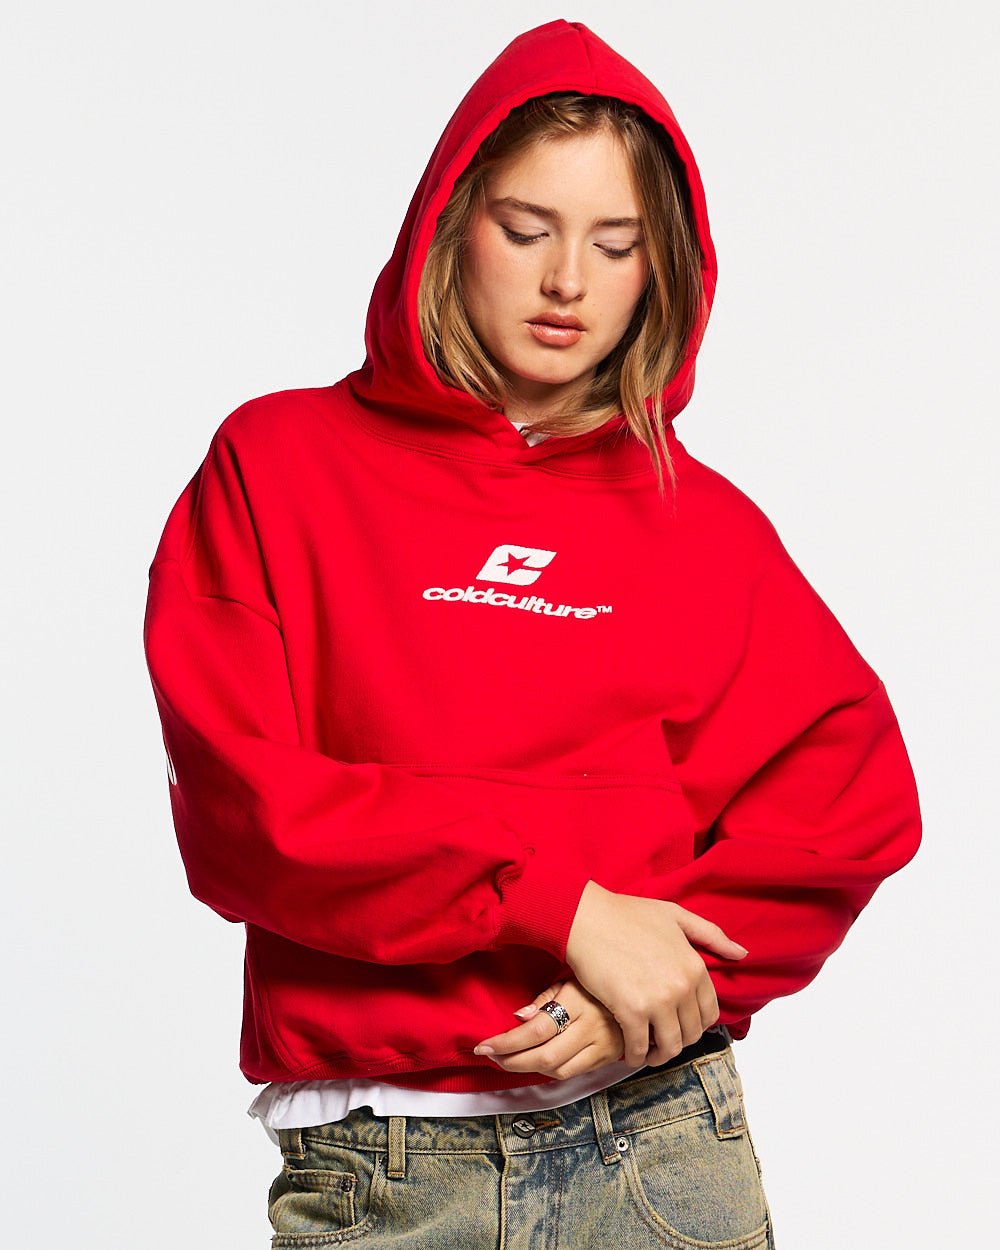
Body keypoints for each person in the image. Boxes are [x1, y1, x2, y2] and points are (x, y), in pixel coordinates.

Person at [142, 19, 922, 1248]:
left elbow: (849, 800)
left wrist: (658, 996)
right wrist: (559, 905)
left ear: (660, 267)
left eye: (615, 245)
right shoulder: (280, 465)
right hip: (386, 1166)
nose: (568, 281)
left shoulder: (702, 524)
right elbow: (250, 811)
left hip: (659, 1144)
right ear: (449, 223)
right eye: (525, 229)